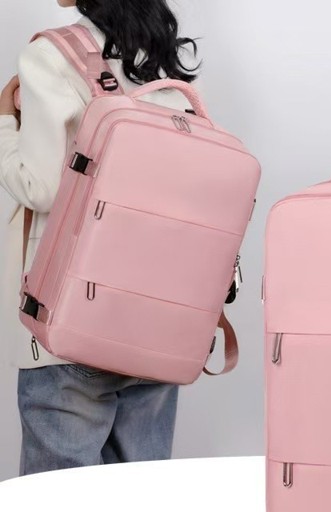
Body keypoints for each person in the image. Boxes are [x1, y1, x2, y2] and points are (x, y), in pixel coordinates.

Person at [0, 0, 201, 475]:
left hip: (69, 319)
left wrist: (5, 124)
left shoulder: (52, 54)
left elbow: (39, 186)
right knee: (138, 495)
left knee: (60, 505)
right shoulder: (161, 60)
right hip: (158, 322)